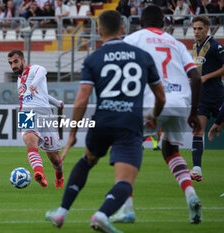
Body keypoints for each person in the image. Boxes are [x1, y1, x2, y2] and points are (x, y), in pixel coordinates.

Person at [45, 10, 166, 233]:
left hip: (102, 121)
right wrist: (154, 116)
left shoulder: (93, 59)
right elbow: (160, 97)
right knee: (125, 180)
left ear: (99, 31)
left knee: (88, 159)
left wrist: (72, 134)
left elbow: (82, 99)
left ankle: (61, 212)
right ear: (123, 29)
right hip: (129, 124)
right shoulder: (142, 56)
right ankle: (102, 214)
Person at [110, 5, 203, 224]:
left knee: (125, 146)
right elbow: (197, 78)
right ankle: (191, 195)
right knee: (171, 150)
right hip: (180, 102)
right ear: (164, 23)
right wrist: (193, 112)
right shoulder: (177, 43)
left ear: (141, 23)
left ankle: (126, 208)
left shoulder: (133, 39)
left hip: (150, 101)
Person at [7, 49, 65, 188]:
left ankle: (59, 177)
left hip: (44, 113)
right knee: (30, 140)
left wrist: (57, 103)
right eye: (10, 63)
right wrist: (57, 102)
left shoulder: (34, 69)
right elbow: (42, 94)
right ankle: (40, 174)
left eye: (15, 61)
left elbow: (43, 71)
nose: (13, 66)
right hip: (26, 112)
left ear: (23, 60)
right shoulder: (19, 80)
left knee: (55, 158)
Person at [190, 15, 224, 181]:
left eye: (200, 29)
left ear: (207, 29)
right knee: (197, 130)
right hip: (202, 97)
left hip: (217, 96)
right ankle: (196, 169)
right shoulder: (194, 46)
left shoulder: (215, 46)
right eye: (194, 29)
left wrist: (207, 77)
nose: (196, 32)